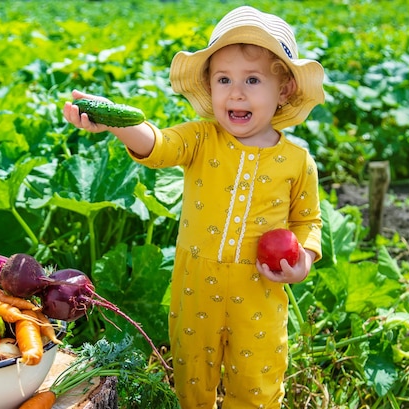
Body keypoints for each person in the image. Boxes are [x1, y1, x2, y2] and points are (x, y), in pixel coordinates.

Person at [63, 5, 324, 409]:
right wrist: (116, 122)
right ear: (210, 86)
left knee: (258, 380)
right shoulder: (201, 138)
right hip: (195, 283)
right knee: (191, 372)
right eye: (224, 80)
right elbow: (158, 144)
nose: (236, 92)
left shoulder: (297, 161)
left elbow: (308, 220)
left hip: (260, 290)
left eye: (252, 80)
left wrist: (303, 260)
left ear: (285, 88)